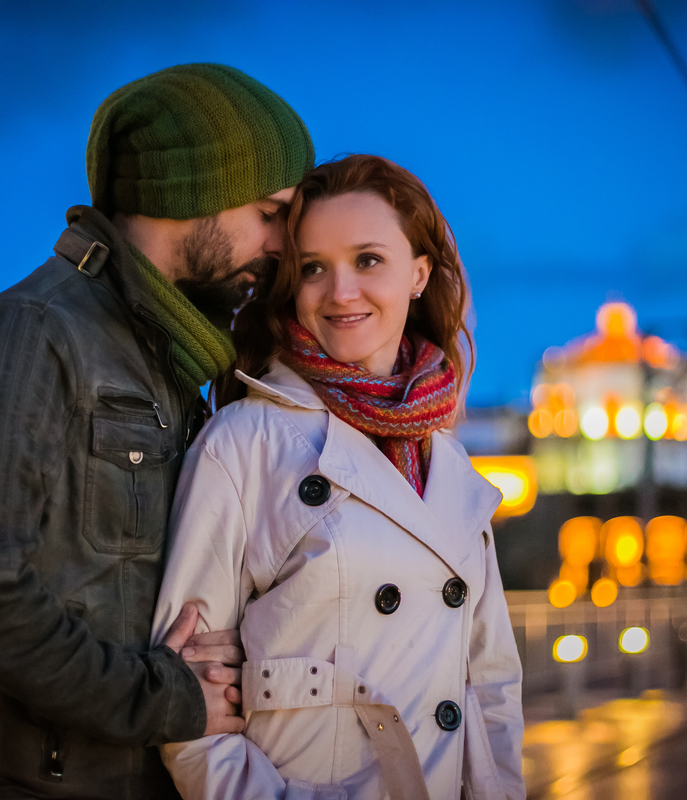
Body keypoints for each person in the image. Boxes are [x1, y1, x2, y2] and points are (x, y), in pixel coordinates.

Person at [0, 64, 314, 797]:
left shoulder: (172, 355)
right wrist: (160, 699)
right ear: (195, 191)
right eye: (270, 211)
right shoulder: (31, 334)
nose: (283, 243)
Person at [151, 155, 525, 799]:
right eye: (314, 268)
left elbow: (491, 687)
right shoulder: (245, 442)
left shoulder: (450, 460)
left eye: (368, 260)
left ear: (419, 274)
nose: (340, 292)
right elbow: (189, 704)